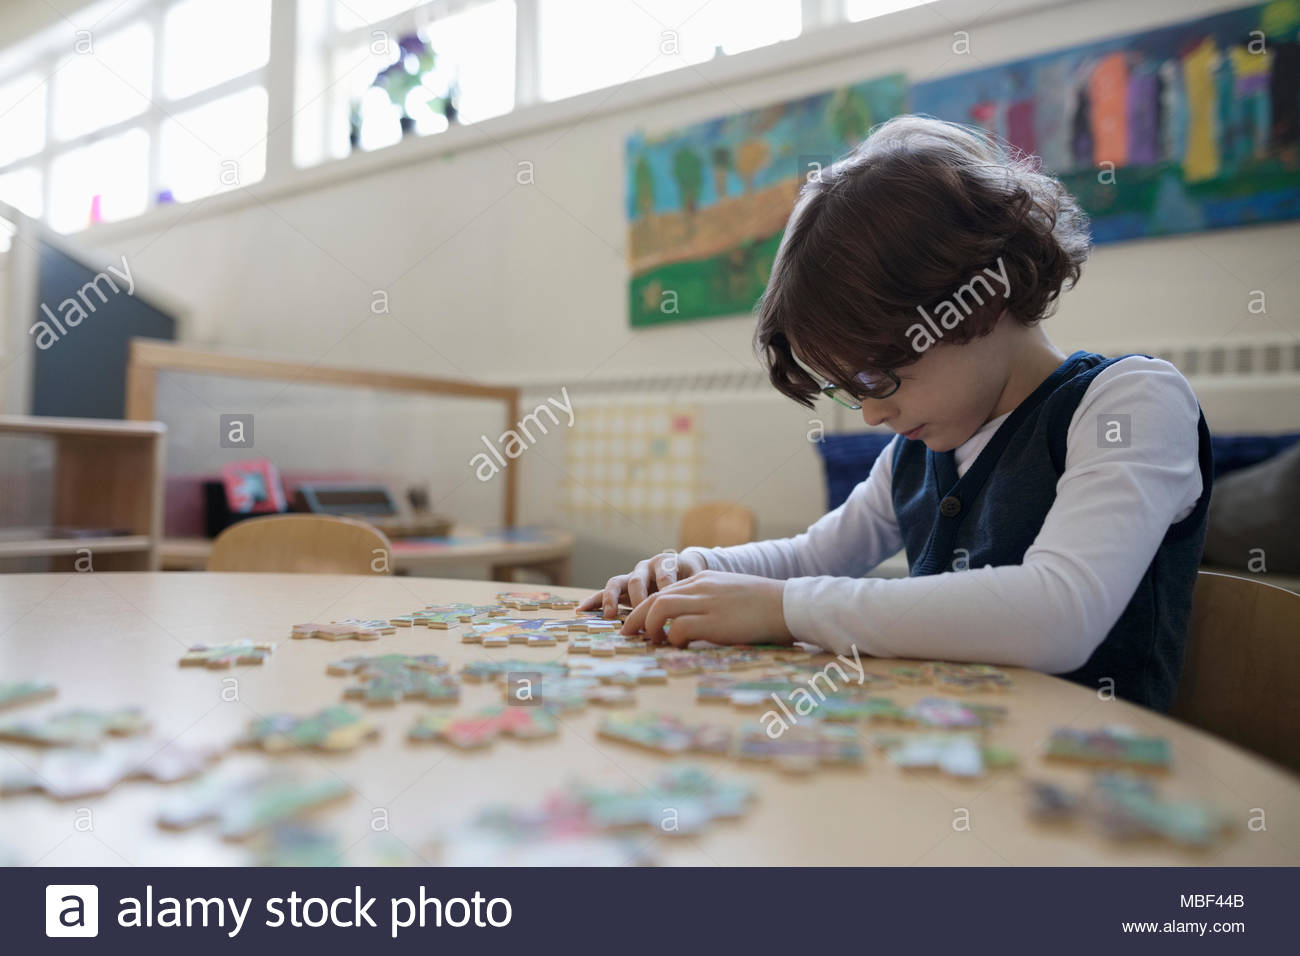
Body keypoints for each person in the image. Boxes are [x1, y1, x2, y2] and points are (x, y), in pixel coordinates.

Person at [579, 115, 1213, 712]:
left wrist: (783, 609)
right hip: (953, 765)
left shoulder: (1131, 400)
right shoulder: (916, 451)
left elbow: (1060, 613)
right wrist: (699, 569)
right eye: (850, 390)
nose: (874, 414)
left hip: (1097, 787)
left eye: (879, 378)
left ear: (980, 299)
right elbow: (811, 557)